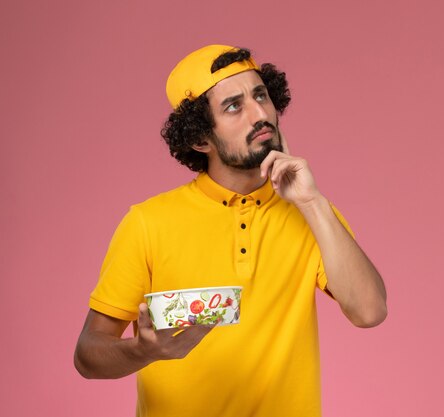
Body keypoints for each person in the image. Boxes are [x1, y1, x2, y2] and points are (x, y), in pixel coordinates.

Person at [74, 44, 387, 417]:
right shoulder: (147, 222)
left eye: (261, 95)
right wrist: (143, 351)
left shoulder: (311, 212)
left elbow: (370, 311)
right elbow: (88, 354)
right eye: (234, 106)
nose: (260, 114)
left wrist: (312, 202)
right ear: (200, 139)